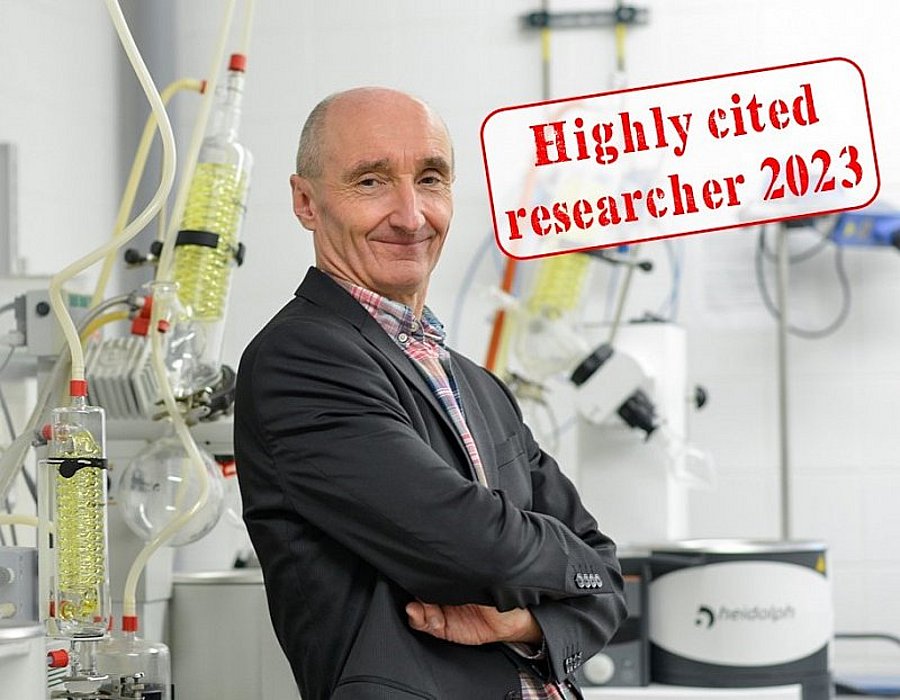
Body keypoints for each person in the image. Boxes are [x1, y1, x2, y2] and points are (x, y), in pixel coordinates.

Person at [234, 87, 627, 700]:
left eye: (431, 179)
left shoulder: (478, 385)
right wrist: (572, 565)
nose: (411, 215)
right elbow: (472, 548)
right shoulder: (301, 357)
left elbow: (607, 578)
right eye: (370, 182)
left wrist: (525, 623)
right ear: (306, 202)